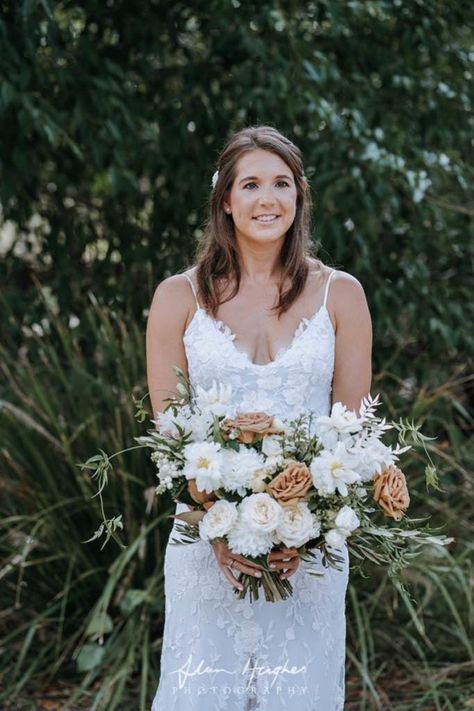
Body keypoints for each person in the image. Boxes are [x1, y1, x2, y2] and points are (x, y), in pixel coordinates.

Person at [147, 125, 372, 710]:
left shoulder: (340, 296)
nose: (266, 199)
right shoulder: (178, 298)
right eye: (250, 184)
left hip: (309, 553)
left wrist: (308, 528)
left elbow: (350, 437)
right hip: (203, 550)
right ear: (226, 199)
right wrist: (219, 530)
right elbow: (170, 438)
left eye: (281, 183)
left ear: (299, 196)